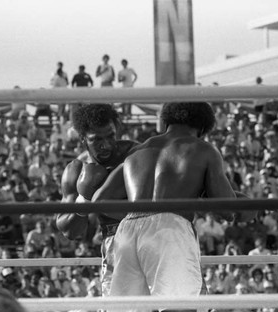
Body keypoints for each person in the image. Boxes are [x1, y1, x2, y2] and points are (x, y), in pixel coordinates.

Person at [92, 102, 255, 302]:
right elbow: (226, 209)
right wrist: (246, 206)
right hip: (169, 230)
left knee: (130, 309)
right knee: (179, 306)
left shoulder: (138, 150)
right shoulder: (203, 149)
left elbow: (99, 201)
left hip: (127, 231)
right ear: (202, 127)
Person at [56, 104, 138, 296]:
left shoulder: (134, 154)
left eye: (111, 136)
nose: (107, 145)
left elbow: (154, 207)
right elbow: (69, 230)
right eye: (97, 140)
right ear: (83, 138)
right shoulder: (76, 170)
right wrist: (84, 201)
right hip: (116, 243)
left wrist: (99, 200)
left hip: (150, 235)